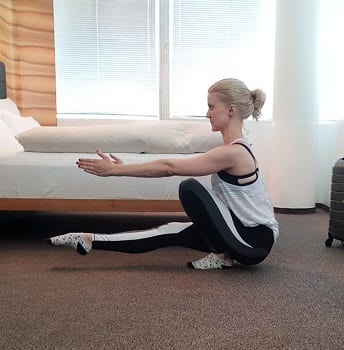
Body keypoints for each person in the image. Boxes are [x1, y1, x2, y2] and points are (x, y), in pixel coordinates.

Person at [47, 78, 279, 270]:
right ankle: (88, 239)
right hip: (240, 233)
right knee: (170, 230)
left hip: (253, 242)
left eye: (211, 106)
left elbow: (170, 167)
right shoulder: (236, 148)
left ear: (231, 110)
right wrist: (122, 167)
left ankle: (221, 256)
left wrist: (117, 170)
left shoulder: (234, 152)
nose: (207, 113)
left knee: (190, 189)